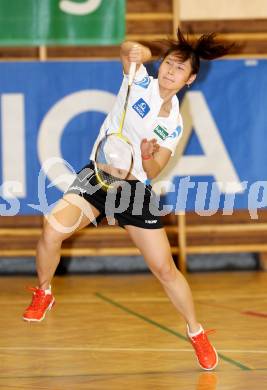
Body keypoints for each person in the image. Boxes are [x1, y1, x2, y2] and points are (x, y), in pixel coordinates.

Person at [23, 29, 234, 371]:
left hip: (134, 192)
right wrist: (137, 51)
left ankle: (196, 332)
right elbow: (128, 49)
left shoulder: (174, 123)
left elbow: (154, 168)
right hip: (97, 178)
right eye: (168, 63)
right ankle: (44, 292)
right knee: (51, 229)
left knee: (165, 270)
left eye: (179, 68)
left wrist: (149, 154)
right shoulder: (139, 82)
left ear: (190, 78)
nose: (170, 70)